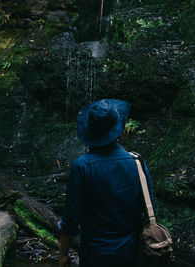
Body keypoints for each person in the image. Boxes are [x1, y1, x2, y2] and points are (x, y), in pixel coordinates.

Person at [58, 99, 154, 267]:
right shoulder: (136, 162)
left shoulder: (82, 166)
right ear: (117, 128)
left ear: (89, 130)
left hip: (94, 255)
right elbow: (147, 208)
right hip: (130, 253)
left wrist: (63, 254)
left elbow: (70, 219)